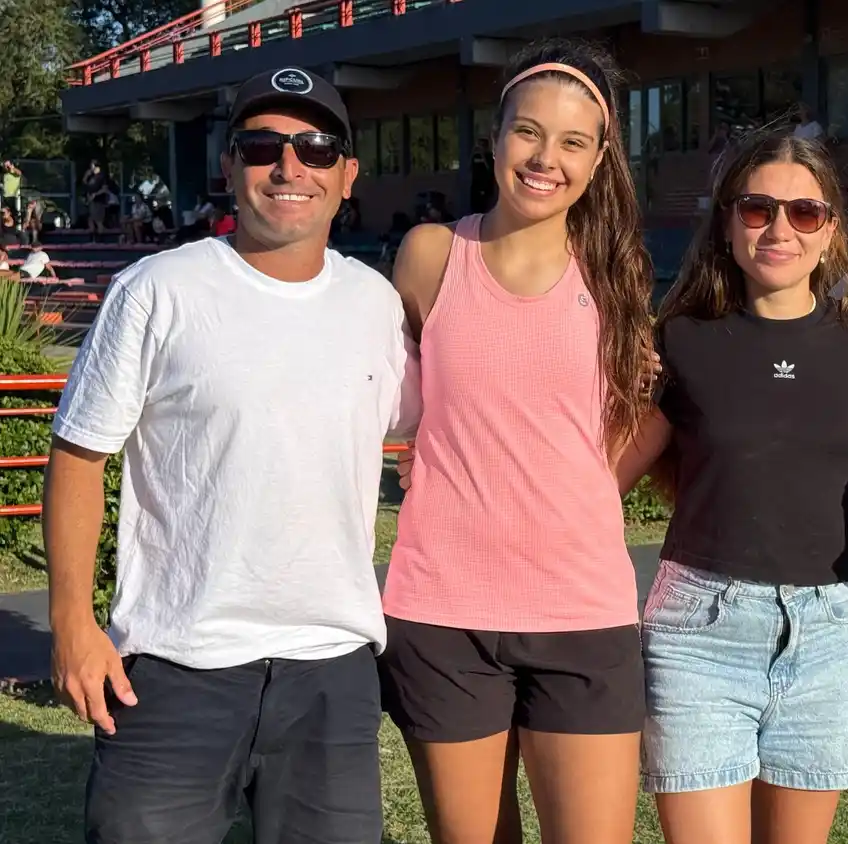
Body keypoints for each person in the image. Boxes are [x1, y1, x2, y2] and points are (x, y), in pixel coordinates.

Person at [44, 66, 417, 842]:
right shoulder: (158, 289)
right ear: (229, 165)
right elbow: (78, 456)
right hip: (177, 664)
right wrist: (73, 624)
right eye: (262, 147)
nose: (290, 167)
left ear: (347, 175)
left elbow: (439, 428)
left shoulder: (375, 303)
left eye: (316, 149)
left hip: (332, 665)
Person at [377, 39, 655, 844]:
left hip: (582, 611)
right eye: (528, 132)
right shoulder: (431, 255)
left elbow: (630, 423)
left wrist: (577, 497)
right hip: (443, 613)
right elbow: (390, 401)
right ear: (495, 138)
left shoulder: (616, 274)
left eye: (572, 142)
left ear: (599, 159)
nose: (545, 159)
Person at [601, 130, 848, 843]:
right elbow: (601, 481)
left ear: (830, 230)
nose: (780, 229)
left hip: (824, 630)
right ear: (727, 224)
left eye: (804, 212)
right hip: (700, 632)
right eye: (758, 209)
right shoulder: (680, 340)